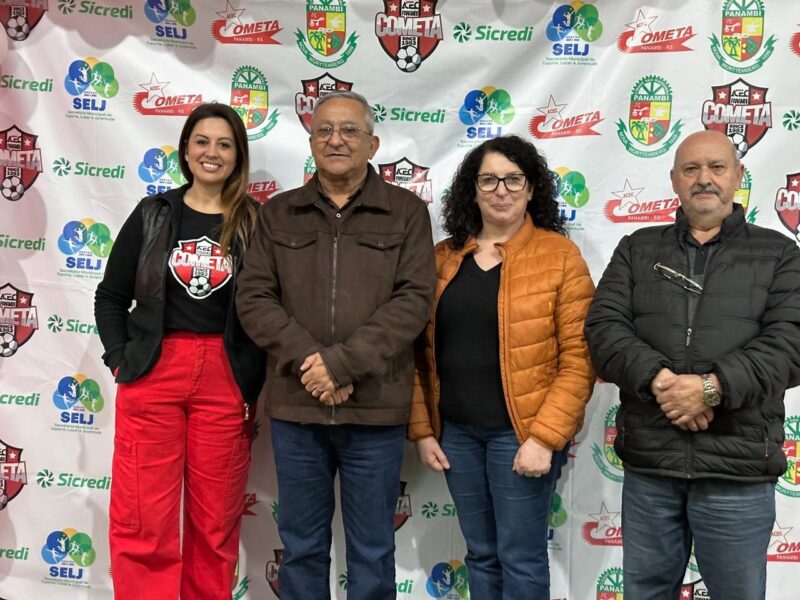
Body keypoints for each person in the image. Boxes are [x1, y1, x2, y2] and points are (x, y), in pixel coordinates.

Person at [235, 90, 436, 600]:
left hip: (375, 411)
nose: (336, 140)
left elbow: (413, 301)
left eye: (349, 130)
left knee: (373, 549)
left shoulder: (407, 212)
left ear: (372, 143)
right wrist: (314, 363)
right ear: (310, 142)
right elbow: (254, 298)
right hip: (298, 409)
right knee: (301, 547)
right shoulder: (278, 213)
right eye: (324, 130)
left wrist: (342, 365)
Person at [584, 130, 800, 599]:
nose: (704, 179)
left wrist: (712, 387)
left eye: (717, 167)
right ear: (674, 180)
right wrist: (661, 380)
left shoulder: (780, 254)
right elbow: (603, 329)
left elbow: (791, 342)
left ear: (738, 176)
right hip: (652, 469)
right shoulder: (637, 248)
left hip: (737, 470)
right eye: (691, 169)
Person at [408, 135, 596, 599]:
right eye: (488, 179)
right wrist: (423, 430)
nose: (501, 190)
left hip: (521, 435)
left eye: (514, 179)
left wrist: (544, 438)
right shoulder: (442, 258)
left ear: (532, 189)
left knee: (521, 556)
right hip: (456, 435)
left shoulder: (560, 257)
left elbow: (579, 357)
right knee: (481, 554)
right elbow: (414, 353)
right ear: (472, 190)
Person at [94, 102, 265, 600]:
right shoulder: (154, 213)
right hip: (153, 370)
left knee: (216, 521)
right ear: (186, 150)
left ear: (238, 155)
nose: (212, 152)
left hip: (226, 376)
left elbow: (272, 303)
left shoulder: (256, 222)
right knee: (143, 516)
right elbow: (111, 295)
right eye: (202, 141)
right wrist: (119, 357)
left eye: (224, 144)